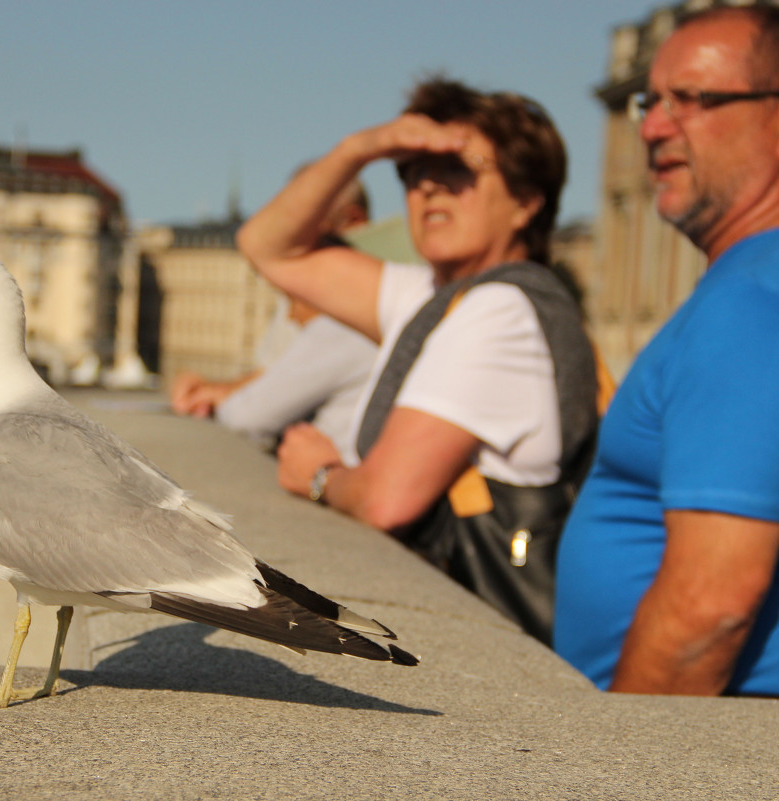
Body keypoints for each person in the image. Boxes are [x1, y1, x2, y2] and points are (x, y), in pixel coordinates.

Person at [554, 6, 779, 701]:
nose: (654, 127)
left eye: (695, 100)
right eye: (649, 101)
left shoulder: (754, 304)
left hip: (734, 737)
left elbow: (705, 610)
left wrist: (620, 766)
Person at [238, 76, 599, 643]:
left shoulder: (498, 311)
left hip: (481, 634)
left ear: (526, 200)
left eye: (457, 170)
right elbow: (268, 245)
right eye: (411, 171)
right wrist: (366, 147)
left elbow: (386, 499)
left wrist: (319, 475)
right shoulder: (435, 298)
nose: (429, 187)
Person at [170, 178, 378, 449]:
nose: (289, 314)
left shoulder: (340, 323)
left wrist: (216, 398)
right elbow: (275, 376)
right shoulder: (360, 304)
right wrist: (215, 389)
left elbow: (251, 414)